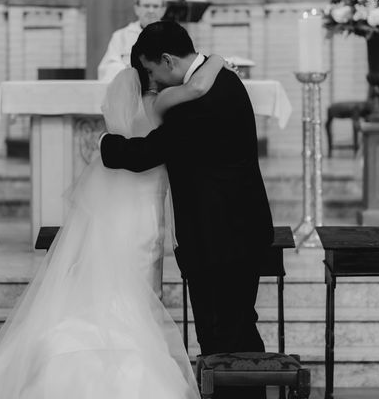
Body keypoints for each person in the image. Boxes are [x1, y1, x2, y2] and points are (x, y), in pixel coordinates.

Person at [0, 51, 226, 398]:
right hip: (145, 210)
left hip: (117, 205)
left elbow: (117, 145)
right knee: (141, 283)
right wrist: (216, 59)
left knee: (108, 274)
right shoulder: (161, 103)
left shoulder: (120, 105)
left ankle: (80, 348)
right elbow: (199, 88)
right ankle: (134, 345)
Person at [100, 21, 274, 399]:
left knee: (222, 337)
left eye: (150, 71)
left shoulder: (197, 102)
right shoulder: (222, 80)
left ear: (166, 60)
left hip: (219, 239)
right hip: (236, 230)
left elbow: (147, 153)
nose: (152, 81)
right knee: (237, 328)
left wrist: (105, 145)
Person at [97, 0, 166, 82]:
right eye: (146, 6)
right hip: (130, 88)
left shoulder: (175, 35)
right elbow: (108, 67)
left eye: (155, 6)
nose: (151, 10)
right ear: (137, 9)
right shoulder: (121, 36)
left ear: (163, 10)